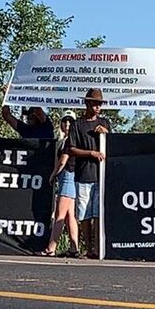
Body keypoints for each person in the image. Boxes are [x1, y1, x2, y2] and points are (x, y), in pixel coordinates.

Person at [66, 88, 111, 259]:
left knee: (98, 214)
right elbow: (71, 149)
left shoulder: (105, 123)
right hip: (83, 175)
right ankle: (88, 248)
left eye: (99, 104)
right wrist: (90, 153)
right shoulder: (77, 125)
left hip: (101, 175)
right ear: (87, 103)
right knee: (84, 214)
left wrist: (106, 134)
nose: (97, 107)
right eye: (94, 103)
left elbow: (113, 145)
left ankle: (98, 248)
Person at [42, 110, 80, 257]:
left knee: (60, 214)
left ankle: (51, 248)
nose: (67, 124)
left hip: (68, 176)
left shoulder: (71, 140)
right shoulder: (64, 140)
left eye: (70, 121)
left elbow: (63, 161)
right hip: (69, 177)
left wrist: (53, 175)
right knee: (70, 216)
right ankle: (74, 248)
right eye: (65, 121)